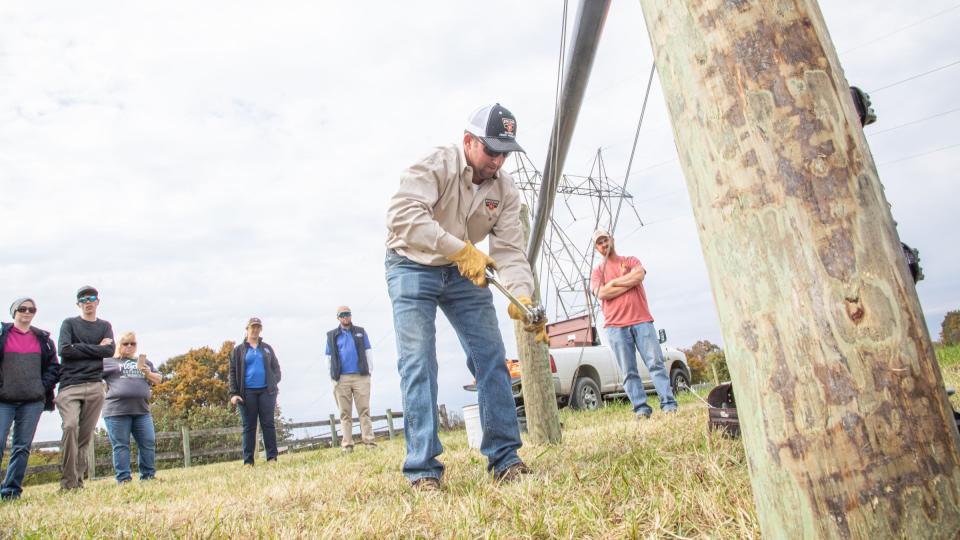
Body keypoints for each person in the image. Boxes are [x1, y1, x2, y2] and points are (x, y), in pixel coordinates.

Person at [384, 103, 546, 490]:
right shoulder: (436, 164)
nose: (498, 160)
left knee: (491, 356)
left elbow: (509, 251)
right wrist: (460, 249)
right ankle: (423, 470)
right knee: (418, 361)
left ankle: (505, 458)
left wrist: (521, 296)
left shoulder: (505, 190)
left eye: (505, 152)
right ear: (468, 141)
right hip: (411, 263)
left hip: (464, 271)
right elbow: (402, 216)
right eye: (491, 150)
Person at [590, 230, 677, 419]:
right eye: (599, 243)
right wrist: (625, 282)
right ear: (597, 248)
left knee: (656, 364)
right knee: (628, 371)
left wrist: (613, 284)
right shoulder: (597, 272)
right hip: (615, 326)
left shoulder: (630, 260)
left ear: (612, 239)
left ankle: (668, 404)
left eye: (605, 239)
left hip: (642, 320)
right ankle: (641, 409)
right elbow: (601, 294)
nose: (604, 244)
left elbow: (638, 276)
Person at [0, 298, 59, 500]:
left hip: (32, 401)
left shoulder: (43, 339)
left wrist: (41, 387)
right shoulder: (2, 335)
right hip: (4, 400)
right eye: (22, 309)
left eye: (31, 309)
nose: (27, 312)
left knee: (22, 446)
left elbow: (54, 367)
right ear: (13, 312)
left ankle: (11, 491)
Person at [57, 285, 114, 490]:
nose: (88, 302)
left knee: (85, 436)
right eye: (83, 300)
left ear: (98, 302)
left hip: (95, 384)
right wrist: (96, 348)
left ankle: (77, 481)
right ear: (78, 304)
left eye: (91, 298)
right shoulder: (69, 323)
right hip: (70, 385)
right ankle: (67, 481)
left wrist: (79, 347)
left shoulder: (105, 326)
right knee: (70, 426)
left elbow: (109, 350)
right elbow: (64, 349)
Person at [102, 331, 162, 484]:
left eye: (132, 343)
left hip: (141, 410)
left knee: (148, 442)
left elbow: (159, 379)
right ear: (119, 345)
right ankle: (124, 478)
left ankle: (148, 476)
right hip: (116, 410)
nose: (129, 346)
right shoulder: (109, 362)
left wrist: (148, 373)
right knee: (121, 445)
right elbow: (94, 376)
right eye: (125, 343)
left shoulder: (144, 363)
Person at [228, 317, 281, 466]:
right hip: (247, 393)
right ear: (247, 329)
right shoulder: (238, 350)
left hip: (266, 392)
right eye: (253, 327)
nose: (255, 330)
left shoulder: (267, 348)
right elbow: (232, 372)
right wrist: (233, 393)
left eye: (258, 327)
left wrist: (273, 382)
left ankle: (272, 458)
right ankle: (248, 461)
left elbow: (276, 368)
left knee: (268, 424)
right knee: (249, 426)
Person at [325, 306, 376, 452]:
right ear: (338, 317)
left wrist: (369, 371)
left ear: (351, 316)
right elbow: (328, 357)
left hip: (361, 376)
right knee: (345, 413)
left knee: (364, 411)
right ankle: (347, 445)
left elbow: (368, 351)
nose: (345, 317)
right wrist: (333, 377)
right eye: (342, 315)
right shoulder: (331, 335)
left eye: (348, 314)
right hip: (341, 379)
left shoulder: (360, 332)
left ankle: (370, 442)